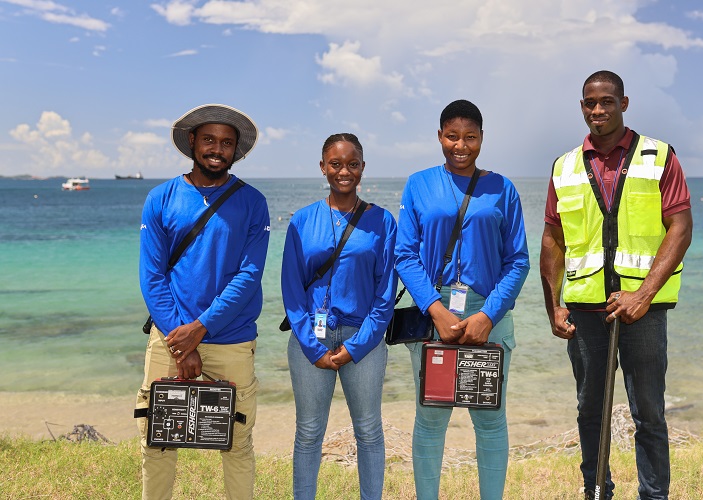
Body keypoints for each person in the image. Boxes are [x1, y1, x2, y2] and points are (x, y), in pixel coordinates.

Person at [539, 71, 693, 499]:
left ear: (624, 103)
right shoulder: (565, 166)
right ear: (582, 106)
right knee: (590, 411)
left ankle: (653, 495)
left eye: (607, 101)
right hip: (586, 311)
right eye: (590, 103)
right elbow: (553, 239)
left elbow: (680, 228)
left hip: (644, 312)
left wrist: (642, 295)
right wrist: (552, 305)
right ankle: (596, 490)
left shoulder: (659, 156)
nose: (598, 110)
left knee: (648, 413)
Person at [395, 99, 530, 499]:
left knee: (490, 421)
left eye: (470, 137)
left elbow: (518, 260)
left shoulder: (502, 188)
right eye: (452, 136)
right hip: (436, 316)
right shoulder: (419, 183)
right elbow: (404, 253)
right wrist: (435, 310)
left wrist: (488, 315)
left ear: (482, 139)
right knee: (431, 420)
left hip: (489, 316)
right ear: (439, 136)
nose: (461, 145)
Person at [135, 104, 270, 500]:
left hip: (231, 340)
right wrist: (181, 340)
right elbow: (152, 275)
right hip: (168, 338)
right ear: (192, 141)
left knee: (237, 444)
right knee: (157, 441)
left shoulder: (253, 202)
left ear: (236, 150)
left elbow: (248, 275)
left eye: (226, 143)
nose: (217, 149)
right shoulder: (160, 198)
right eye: (209, 139)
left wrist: (201, 329)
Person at [281, 133, 397, 500]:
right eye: (335, 164)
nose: (343, 171)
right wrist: (311, 346)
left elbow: (385, 294)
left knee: (368, 431)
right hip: (310, 339)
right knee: (309, 432)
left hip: (363, 338)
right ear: (322, 167)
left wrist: (358, 346)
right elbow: (291, 290)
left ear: (362, 167)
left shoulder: (382, 222)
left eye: (352, 164)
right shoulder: (302, 221)